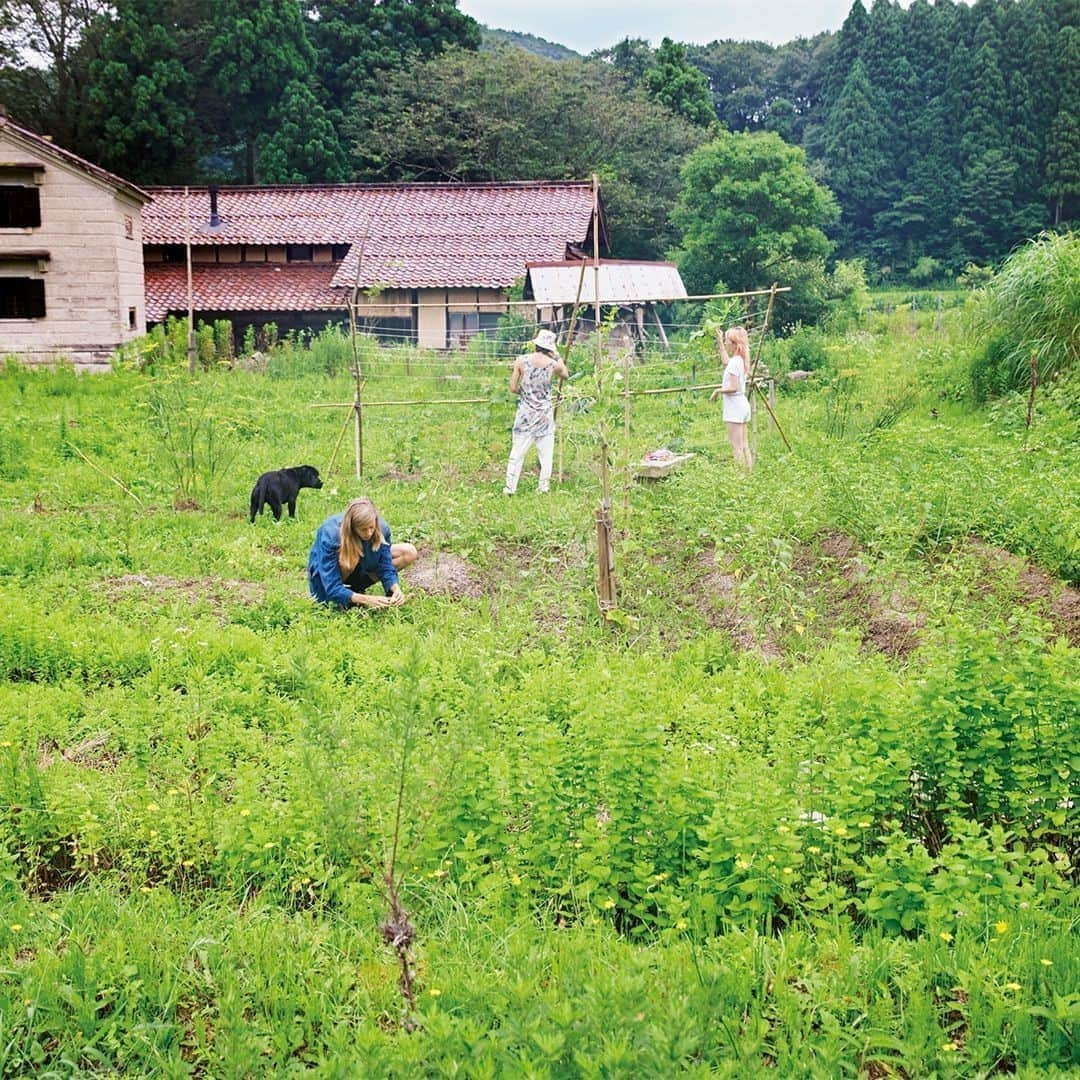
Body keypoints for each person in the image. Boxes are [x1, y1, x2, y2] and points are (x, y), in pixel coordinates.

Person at [308, 497, 417, 610]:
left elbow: (385, 565)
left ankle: (355, 591)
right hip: (327, 580)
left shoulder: (382, 529)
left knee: (408, 551)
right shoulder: (331, 535)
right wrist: (367, 599)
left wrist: (394, 587)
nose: (369, 533)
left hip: (361, 567)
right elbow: (330, 586)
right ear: (353, 527)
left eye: (371, 527)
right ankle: (346, 597)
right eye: (363, 529)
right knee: (350, 558)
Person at [504, 328, 569, 495]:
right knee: (545, 455)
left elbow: (512, 387)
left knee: (517, 453)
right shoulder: (553, 365)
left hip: (525, 415)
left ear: (536, 344)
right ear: (550, 348)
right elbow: (566, 374)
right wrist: (557, 355)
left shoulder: (521, 361)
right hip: (544, 415)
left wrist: (523, 393)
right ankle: (543, 488)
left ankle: (510, 488)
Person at [710, 326, 754, 469]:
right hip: (742, 405)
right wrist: (719, 341)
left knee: (737, 447)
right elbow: (725, 361)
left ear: (734, 343)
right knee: (744, 445)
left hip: (735, 407)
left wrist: (718, 391)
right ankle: (749, 475)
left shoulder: (736, 362)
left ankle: (740, 479)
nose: (726, 342)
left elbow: (734, 387)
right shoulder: (739, 359)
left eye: (727, 340)